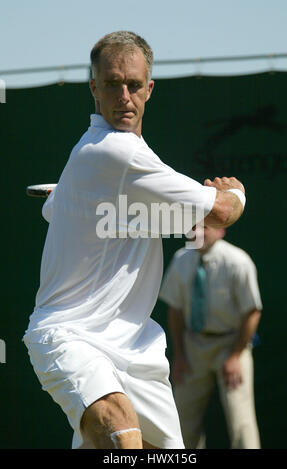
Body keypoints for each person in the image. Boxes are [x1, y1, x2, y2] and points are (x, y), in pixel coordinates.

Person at [23, 31, 247, 450]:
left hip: (137, 350)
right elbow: (219, 213)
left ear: (149, 88)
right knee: (122, 434)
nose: (123, 95)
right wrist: (236, 193)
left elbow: (56, 210)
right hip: (70, 336)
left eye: (133, 84)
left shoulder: (101, 161)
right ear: (94, 88)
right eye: (111, 84)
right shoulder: (115, 153)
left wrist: (77, 197)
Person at [159, 226, 262, 449]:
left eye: (205, 227)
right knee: (181, 419)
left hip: (232, 345)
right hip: (193, 346)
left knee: (240, 420)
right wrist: (180, 355)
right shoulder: (181, 259)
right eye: (193, 227)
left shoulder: (238, 261)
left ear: (221, 230)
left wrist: (235, 355)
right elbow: (175, 310)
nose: (198, 233)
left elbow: (252, 311)